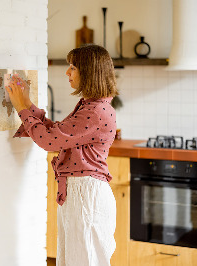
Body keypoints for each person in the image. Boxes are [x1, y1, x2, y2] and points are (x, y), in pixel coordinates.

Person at [6, 44, 118, 266]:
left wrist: (21, 108)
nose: (67, 72)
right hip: (81, 193)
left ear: (89, 72)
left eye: (73, 67)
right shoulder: (91, 106)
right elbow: (57, 133)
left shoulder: (95, 111)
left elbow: (49, 141)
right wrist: (27, 104)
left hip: (86, 195)